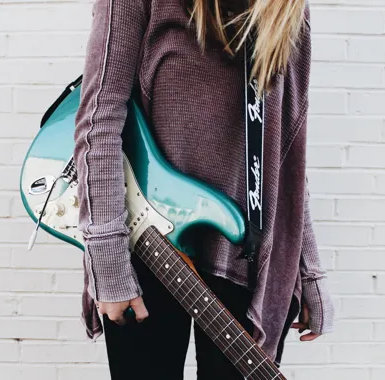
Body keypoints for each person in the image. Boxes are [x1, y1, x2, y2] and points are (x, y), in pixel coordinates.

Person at [72, 0, 335, 378]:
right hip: (149, 250)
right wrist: (107, 260)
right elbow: (99, 120)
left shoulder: (287, 10)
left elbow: (286, 155)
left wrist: (309, 271)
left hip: (247, 261)